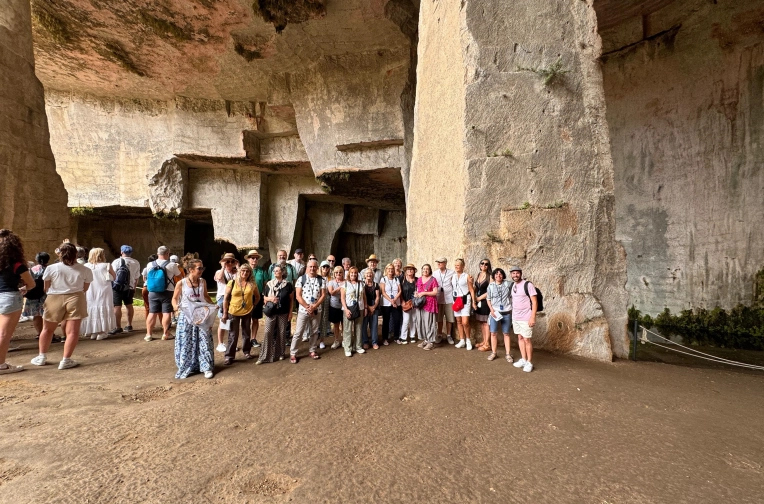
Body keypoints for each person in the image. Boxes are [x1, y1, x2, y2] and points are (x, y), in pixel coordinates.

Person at [31, 242, 93, 370]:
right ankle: (66, 360)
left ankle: (42, 357)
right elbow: (85, 288)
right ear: (76, 254)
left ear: (59, 254)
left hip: (54, 297)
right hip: (76, 297)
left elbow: (46, 287)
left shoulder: (51, 268)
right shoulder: (85, 269)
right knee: (72, 332)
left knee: (47, 329)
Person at [171, 258, 215, 379]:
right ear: (190, 269)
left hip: (201, 315)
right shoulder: (182, 283)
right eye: (199, 268)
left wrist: (213, 305)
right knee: (187, 341)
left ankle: (206, 367)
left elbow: (205, 296)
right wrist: (176, 308)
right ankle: (186, 366)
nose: (201, 270)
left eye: (202, 268)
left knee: (204, 340)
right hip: (186, 316)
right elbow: (174, 298)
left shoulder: (202, 282)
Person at [0, 230, 36, 374]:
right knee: (4, 334)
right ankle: (1, 365)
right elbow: (31, 283)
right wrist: (24, 289)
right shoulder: (16, 265)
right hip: (10, 297)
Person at [222, 263, 259, 365]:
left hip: (247, 312)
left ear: (250, 273)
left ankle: (247, 352)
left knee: (246, 333)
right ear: (239, 271)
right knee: (233, 334)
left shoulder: (252, 284)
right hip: (233, 311)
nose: (245, 273)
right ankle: (229, 356)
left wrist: (253, 306)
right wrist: (225, 313)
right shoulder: (232, 282)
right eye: (243, 271)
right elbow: (225, 298)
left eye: (247, 271)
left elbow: (257, 297)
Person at [143, 246, 182, 342]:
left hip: (152, 291)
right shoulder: (172, 265)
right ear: (167, 254)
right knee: (166, 312)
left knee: (152, 312)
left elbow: (146, 277)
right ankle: (165, 333)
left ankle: (148, 334)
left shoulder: (150, 264)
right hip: (167, 291)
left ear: (157, 253)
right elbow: (179, 276)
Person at [290, 259, 326, 363]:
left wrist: (314, 306)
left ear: (317, 268)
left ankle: (312, 350)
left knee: (314, 331)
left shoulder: (321, 280)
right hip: (303, 310)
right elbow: (298, 295)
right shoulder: (301, 279)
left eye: (314, 267)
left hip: (316, 310)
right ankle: (293, 353)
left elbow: (323, 294)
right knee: (299, 332)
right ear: (307, 268)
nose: (312, 268)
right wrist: (307, 306)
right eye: (310, 266)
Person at [257, 264, 294, 364]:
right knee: (268, 332)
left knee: (281, 333)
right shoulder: (269, 284)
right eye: (274, 271)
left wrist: (290, 313)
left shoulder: (288, 285)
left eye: (278, 270)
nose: (276, 272)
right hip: (271, 312)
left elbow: (291, 300)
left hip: (283, 312)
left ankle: (280, 353)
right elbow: (264, 298)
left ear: (282, 272)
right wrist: (271, 299)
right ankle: (265, 355)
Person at [81, 248, 116, 340]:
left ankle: (93, 331)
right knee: (103, 306)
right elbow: (114, 277)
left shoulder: (86, 266)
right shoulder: (106, 265)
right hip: (104, 290)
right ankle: (102, 331)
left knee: (91, 308)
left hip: (90, 290)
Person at [510, 266, 538, 372]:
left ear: (520, 274)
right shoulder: (513, 285)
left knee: (527, 339)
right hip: (516, 317)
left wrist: (532, 317)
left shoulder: (528, 285)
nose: (515, 275)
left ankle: (529, 362)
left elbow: (534, 302)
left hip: (526, 317)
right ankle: (523, 359)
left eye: (517, 273)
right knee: (520, 337)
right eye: (513, 273)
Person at [109, 245, 141, 335]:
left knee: (117, 306)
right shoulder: (136, 262)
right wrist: (134, 287)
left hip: (118, 287)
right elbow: (136, 277)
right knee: (129, 305)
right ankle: (129, 325)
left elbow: (112, 274)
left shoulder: (116, 262)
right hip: (130, 287)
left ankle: (118, 327)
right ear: (131, 253)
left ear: (122, 252)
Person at [486, 268, 512, 362]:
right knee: (493, 333)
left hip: (506, 312)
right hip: (495, 312)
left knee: (506, 333)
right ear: (494, 276)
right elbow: (488, 299)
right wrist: (491, 309)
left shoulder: (508, 284)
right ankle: (494, 352)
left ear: (503, 275)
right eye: (496, 274)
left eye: (500, 274)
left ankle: (508, 354)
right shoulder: (491, 286)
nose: (498, 276)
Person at [22, 252, 51, 339]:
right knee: (47, 315)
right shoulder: (50, 269)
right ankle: (47, 334)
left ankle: (39, 333)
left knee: (36, 315)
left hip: (33, 294)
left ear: (36, 259)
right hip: (46, 294)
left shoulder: (32, 269)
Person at [213, 252, 238, 351]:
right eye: (227, 261)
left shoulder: (236, 273)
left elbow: (242, 280)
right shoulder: (219, 271)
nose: (230, 263)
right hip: (222, 297)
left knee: (233, 322)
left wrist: (238, 266)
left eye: (232, 261)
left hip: (234, 298)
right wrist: (223, 267)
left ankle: (231, 343)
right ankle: (220, 343)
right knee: (223, 320)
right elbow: (219, 278)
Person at [452, 258, 476, 350]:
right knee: (458, 321)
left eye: (458, 265)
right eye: (455, 265)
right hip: (456, 300)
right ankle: (462, 340)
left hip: (465, 300)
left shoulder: (467, 276)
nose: (456, 267)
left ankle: (468, 340)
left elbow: (471, 290)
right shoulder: (453, 277)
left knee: (465, 322)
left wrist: (474, 301)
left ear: (463, 266)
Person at [244, 250, 267, 348]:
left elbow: (266, 285)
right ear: (248, 259)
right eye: (252, 258)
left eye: (256, 258)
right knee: (245, 319)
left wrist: (265, 297)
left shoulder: (262, 271)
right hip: (246, 297)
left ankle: (253, 338)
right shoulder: (244, 270)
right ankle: (246, 339)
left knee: (255, 319)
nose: (254, 260)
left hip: (258, 297)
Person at [340, 266, 364, 357]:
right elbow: (342, 298)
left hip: (360, 308)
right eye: (352, 272)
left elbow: (364, 297)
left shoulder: (361, 284)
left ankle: (358, 346)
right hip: (349, 308)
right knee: (347, 329)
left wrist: (365, 308)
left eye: (355, 273)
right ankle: (348, 348)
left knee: (358, 327)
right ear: (349, 274)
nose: (353, 274)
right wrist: (346, 309)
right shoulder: (344, 284)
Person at [415, 264, 439, 350]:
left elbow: (435, 292)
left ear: (430, 270)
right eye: (424, 269)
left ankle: (431, 342)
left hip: (429, 304)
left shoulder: (433, 280)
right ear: (421, 270)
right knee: (421, 322)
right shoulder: (419, 279)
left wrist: (424, 293)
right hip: (420, 304)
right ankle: (426, 339)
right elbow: (418, 290)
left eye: (427, 269)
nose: (425, 270)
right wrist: (417, 294)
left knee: (429, 323)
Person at [434, 257, 455, 344]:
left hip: (449, 298)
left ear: (445, 263)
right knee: (439, 318)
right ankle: (439, 334)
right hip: (439, 298)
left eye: (441, 262)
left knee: (449, 318)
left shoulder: (452, 273)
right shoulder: (435, 273)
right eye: (438, 262)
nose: (439, 263)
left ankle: (449, 335)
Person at [379, 263, 402, 345]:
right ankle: (385, 338)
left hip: (396, 302)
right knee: (386, 321)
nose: (391, 270)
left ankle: (396, 337)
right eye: (389, 268)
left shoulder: (396, 279)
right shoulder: (383, 279)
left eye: (392, 268)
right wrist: (391, 301)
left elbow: (400, 291)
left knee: (397, 320)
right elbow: (383, 292)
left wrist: (395, 299)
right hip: (386, 303)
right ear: (386, 269)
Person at [473, 259, 493, 351]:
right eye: (482, 263)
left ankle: (488, 344)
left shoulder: (490, 276)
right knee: (481, 322)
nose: (484, 265)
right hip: (478, 301)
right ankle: (484, 341)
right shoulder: (478, 275)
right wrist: (474, 299)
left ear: (488, 266)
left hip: (486, 302)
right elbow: (476, 288)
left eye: (486, 264)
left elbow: (490, 291)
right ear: (480, 264)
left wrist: (479, 298)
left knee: (486, 323)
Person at [361, 268, 380, 349]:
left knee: (374, 325)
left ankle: (374, 342)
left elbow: (378, 297)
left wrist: (373, 307)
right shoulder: (361, 284)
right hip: (364, 305)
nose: (369, 274)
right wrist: (368, 307)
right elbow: (361, 297)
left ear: (373, 275)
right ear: (364, 275)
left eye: (370, 273)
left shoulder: (376, 285)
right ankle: (365, 342)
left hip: (374, 305)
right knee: (364, 325)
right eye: (367, 273)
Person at [399, 263, 418, 344]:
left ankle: (412, 336)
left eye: (411, 269)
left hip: (414, 303)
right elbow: (399, 291)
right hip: (406, 302)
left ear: (414, 271)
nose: (410, 270)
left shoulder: (417, 280)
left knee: (413, 320)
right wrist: (402, 300)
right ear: (406, 271)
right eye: (408, 269)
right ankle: (403, 337)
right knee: (406, 320)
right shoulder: (402, 280)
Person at [326, 266, 345, 349]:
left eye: (340, 272)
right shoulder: (331, 282)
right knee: (336, 325)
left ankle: (345, 340)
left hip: (344, 306)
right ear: (334, 273)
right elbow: (332, 293)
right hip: (334, 306)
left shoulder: (346, 282)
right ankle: (336, 340)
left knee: (344, 325)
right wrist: (340, 287)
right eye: (336, 272)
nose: (338, 274)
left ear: (342, 273)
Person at [317, 260, 333, 348]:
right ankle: (314, 339)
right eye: (324, 267)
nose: (325, 269)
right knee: (315, 319)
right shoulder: (317, 277)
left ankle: (322, 340)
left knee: (324, 319)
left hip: (326, 299)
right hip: (317, 299)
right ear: (321, 268)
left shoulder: (330, 278)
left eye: (327, 267)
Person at [141, 254, 157, 319]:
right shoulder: (159, 268)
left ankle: (148, 324)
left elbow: (144, 279)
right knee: (159, 307)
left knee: (147, 307)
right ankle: (163, 325)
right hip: (156, 288)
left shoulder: (146, 268)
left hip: (146, 287)